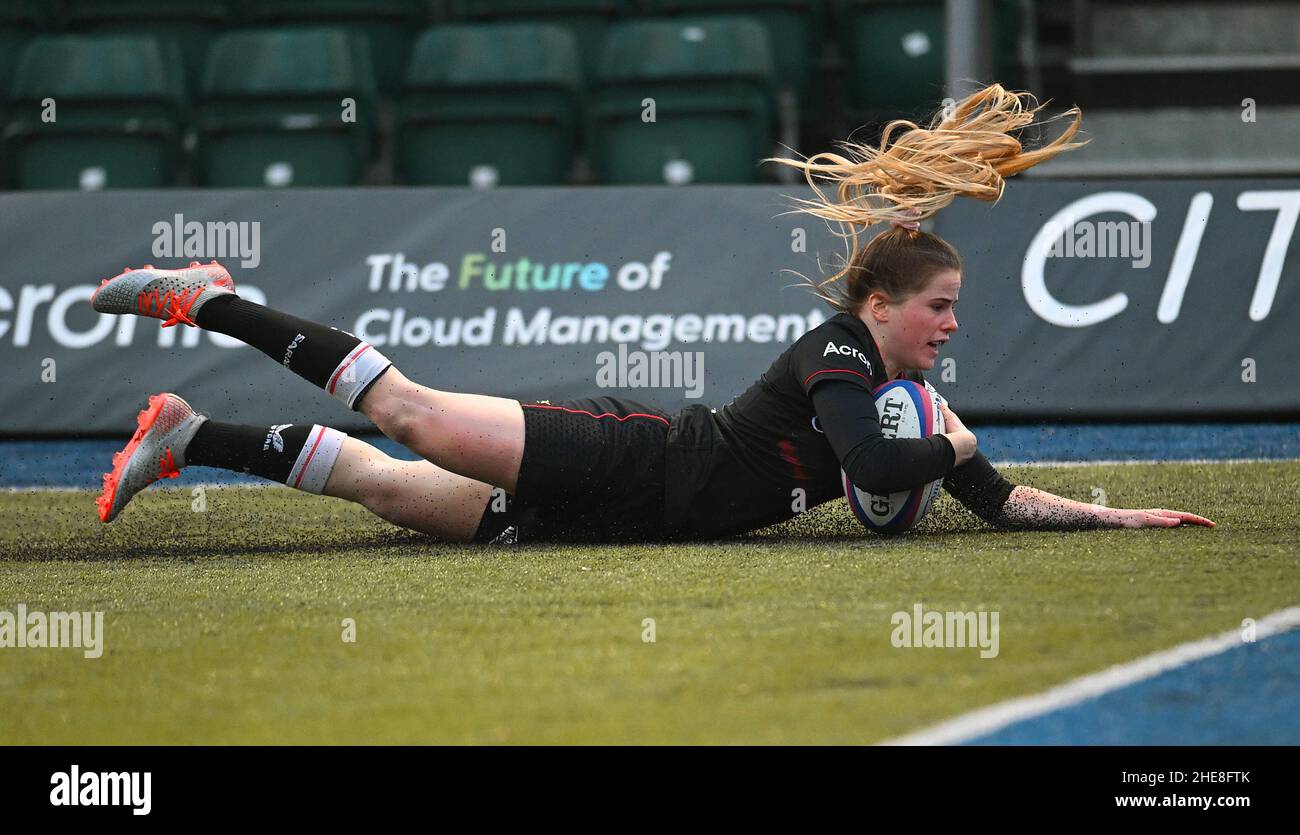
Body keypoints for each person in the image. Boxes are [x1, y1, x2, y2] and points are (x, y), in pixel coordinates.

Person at [89, 84, 1215, 541]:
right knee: (419, 420)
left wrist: (1118, 519)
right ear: (880, 304)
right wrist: (949, 439)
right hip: (630, 463)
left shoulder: (903, 390)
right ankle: (222, 303)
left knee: (388, 486)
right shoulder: (838, 355)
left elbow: (996, 501)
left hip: (621, 518)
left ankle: (189, 436)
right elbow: (877, 458)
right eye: (940, 308)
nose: (952, 326)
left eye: (955, 310)